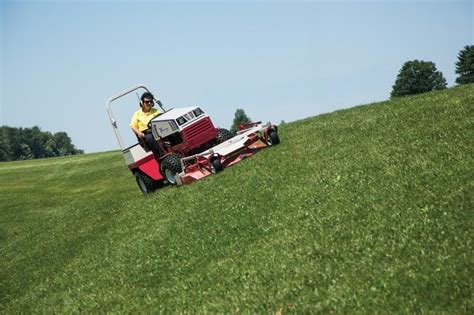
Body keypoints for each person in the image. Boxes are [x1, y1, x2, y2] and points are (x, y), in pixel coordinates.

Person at [130, 92, 163, 159]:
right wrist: (139, 133)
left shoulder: (156, 111)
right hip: (146, 134)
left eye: (151, 101)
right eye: (147, 102)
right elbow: (133, 126)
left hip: (158, 131)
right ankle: (159, 156)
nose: (149, 103)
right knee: (150, 137)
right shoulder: (137, 114)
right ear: (142, 103)